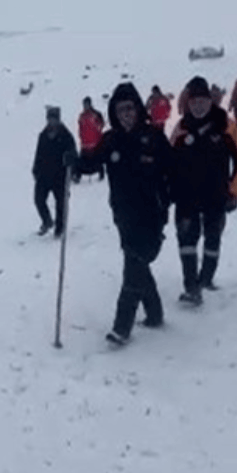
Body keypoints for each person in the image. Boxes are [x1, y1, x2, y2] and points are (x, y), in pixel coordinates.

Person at [72, 83, 174, 345]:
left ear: (138, 108)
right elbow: (91, 163)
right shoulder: (110, 140)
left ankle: (122, 327)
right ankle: (155, 314)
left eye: (130, 108)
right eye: (120, 109)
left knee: (134, 266)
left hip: (152, 215)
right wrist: (72, 161)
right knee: (136, 262)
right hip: (123, 216)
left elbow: (174, 172)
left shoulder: (154, 137)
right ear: (114, 112)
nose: (126, 114)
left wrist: (168, 201)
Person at [169, 76, 237, 305]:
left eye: (202, 101)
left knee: (212, 239)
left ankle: (206, 278)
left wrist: (234, 190)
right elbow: (168, 161)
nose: (198, 106)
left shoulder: (226, 125)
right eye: (194, 101)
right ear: (188, 102)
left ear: (210, 101)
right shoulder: (182, 127)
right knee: (186, 240)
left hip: (217, 195)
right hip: (186, 196)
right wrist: (168, 190)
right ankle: (191, 287)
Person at [32, 105, 78, 236]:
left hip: (60, 175)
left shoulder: (66, 135)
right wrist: (35, 168)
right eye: (49, 118)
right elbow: (38, 153)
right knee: (38, 199)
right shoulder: (43, 135)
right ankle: (47, 221)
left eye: (54, 119)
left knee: (61, 203)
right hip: (44, 175)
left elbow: (74, 153)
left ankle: (59, 227)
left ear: (58, 119)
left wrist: (71, 161)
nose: (51, 121)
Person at [76, 97, 106, 182]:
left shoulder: (96, 114)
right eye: (84, 104)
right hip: (85, 144)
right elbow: (80, 128)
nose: (85, 106)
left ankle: (101, 174)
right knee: (81, 161)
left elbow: (101, 125)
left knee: (97, 160)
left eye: (87, 104)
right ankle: (77, 176)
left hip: (95, 143)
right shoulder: (81, 116)